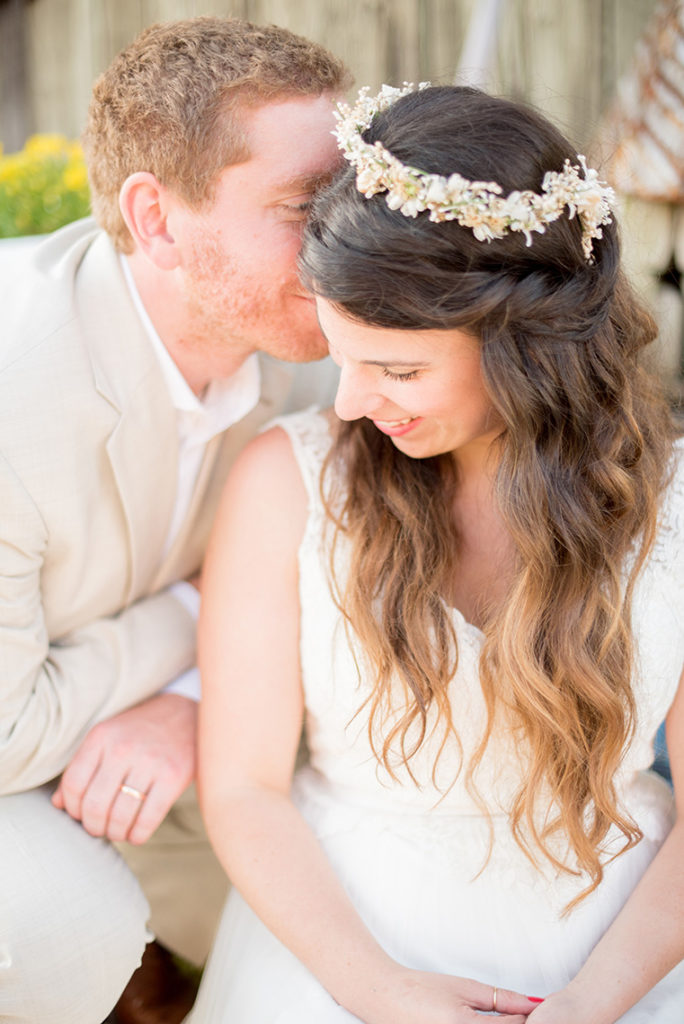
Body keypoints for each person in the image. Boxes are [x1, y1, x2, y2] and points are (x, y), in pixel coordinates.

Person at [191, 83, 684, 1023]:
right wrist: (376, 991)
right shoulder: (287, 483)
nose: (347, 405)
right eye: (341, 359)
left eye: (398, 370)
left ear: (526, 348)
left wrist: (590, 1006)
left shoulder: (675, 503)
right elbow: (245, 789)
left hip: (623, 943)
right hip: (348, 941)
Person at [0, 16, 351, 1024]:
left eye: (349, 196)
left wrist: (196, 695)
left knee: (345, 928)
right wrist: (204, 613)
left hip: (126, 717)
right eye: (300, 206)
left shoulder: (332, 341)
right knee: (69, 923)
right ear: (156, 220)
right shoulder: (12, 397)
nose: (345, 238)